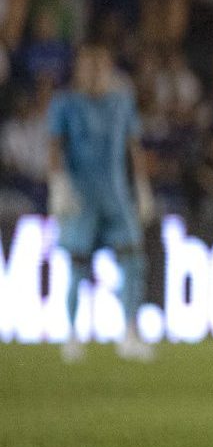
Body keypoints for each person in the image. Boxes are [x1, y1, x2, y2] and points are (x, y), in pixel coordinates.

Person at [48, 43, 156, 363]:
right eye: (88, 67)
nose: (94, 75)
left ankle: (129, 333)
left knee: (134, 261)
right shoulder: (65, 104)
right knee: (78, 266)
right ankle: (70, 334)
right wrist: (59, 186)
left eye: (100, 67)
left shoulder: (121, 102)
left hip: (116, 193)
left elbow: (132, 147)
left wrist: (141, 186)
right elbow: (55, 147)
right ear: (79, 70)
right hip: (81, 195)